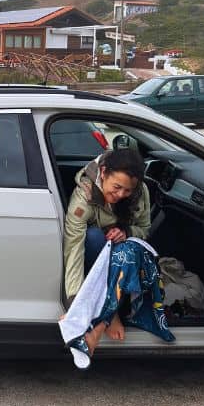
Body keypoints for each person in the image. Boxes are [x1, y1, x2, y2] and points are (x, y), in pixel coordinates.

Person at [62, 148, 151, 357]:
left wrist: (127, 232)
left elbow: (144, 230)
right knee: (94, 238)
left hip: (124, 260)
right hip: (95, 259)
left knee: (129, 248)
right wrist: (75, 307)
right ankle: (110, 314)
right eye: (117, 187)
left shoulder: (140, 191)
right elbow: (73, 251)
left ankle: (108, 315)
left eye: (127, 190)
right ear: (103, 173)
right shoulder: (84, 196)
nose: (121, 195)